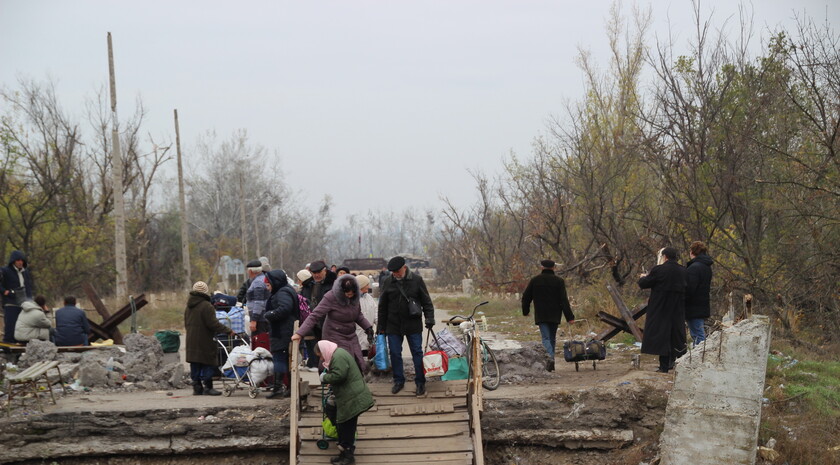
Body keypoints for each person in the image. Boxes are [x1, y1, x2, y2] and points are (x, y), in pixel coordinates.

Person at [377, 256, 435, 396]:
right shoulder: (388, 282)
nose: (395, 274)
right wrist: (381, 327)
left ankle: (420, 383)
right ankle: (398, 381)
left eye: (397, 271)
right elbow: (382, 306)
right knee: (395, 353)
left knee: (417, 353)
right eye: (393, 272)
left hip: (413, 323)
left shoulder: (416, 280)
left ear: (404, 267)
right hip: (393, 325)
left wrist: (429, 318)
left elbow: (426, 301)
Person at [293, 274, 374, 373]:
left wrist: (368, 328)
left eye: (352, 294)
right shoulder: (331, 297)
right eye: (347, 294)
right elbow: (315, 316)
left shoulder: (354, 297)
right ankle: (333, 383)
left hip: (350, 335)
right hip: (334, 335)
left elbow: (358, 315)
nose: (350, 296)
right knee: (340, 364)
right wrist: (300, 333)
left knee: (357, 363)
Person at [316, 339, 374, 465]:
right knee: (343, 423)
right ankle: (343, 453)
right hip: (350, 395)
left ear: (324, 350)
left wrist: (325, 378)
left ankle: (348, 457)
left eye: (320, 355)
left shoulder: (338, 356)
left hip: (352, 397)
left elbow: (340, 375)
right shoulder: (338, 354)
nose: (321, 359)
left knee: (346, 426)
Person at [638, 247, 688, 373]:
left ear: (665, 256)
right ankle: (678, 363)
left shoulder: (659, 270)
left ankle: (664, 366)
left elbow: (644, 283)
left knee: (662, 336)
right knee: (675, 336)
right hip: (677, 308)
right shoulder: (683, 270)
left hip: (660, 307)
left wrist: (643, 277)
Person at [521, 259, 576, 372]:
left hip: (541, 314)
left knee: (545, 338)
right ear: (553, 268)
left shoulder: (535, 280)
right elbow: (564, 300)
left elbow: (526, 297)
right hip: (555, 314)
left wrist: (525, 311)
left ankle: (549, 360)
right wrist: (569, 317)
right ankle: (551, 361)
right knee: (552, 338)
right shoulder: (559, 281)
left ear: (542, 267)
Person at [185, 281, 235, 395]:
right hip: (205, 338)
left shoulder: (188, 306)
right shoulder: (207, 306)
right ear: (205, 291)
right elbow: (213, 324)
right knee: (209, 360)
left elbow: (186, 322)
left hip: (191, 337)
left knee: (195, 361)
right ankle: (208, 387)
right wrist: (228, 331)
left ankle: (197, 387)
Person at [264, 269, 299, 399]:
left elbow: (285, 308)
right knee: (286, 359)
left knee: (279, 358)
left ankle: (278, 388)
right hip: (285, 330)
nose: (267, 286)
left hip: (282, 331)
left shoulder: (282, 292)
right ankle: (288, 388)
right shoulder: (286, 289)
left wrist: (269, 315)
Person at [299, 260, 337, 370]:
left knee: (329, 350)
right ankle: (319, 372)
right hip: (312, 322)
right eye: (314, 273)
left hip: (329, 322)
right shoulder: (308, 285)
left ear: (325, 271)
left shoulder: (334, 284)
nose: (316, 275)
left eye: (319, 272)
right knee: (315, 349)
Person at [1, 250, 35, 344]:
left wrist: (30, 299)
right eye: (18, 260)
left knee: (23, 325)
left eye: (22, 260)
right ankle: (7, 346)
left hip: (24, 302)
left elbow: (28, 286)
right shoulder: (4, 270)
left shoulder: (26, 272)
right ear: (13, 261)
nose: (20, 262)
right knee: (11, 324)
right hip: (10, 302)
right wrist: (5, 292)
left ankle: (21, 344)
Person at [685, 241, 713, 346]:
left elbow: (690, 288)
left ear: (692, 252)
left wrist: (682, 299)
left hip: (693, 306)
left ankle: (701, 357)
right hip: (702, 304)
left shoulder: (694, 268)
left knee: (698, 334)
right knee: (698, 332)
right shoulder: (706, 267)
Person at [245, 259, 271, 349]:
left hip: (259, 318)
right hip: (262, 316)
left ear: (251, 271)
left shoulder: (258, 282)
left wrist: (254, 320)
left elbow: (259, 302)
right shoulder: (262, 278)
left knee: (259, 342)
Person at [354, 274, 377, 358]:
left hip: (369, 336)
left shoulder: (369, 298)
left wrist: (380, 325)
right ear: (361, 285)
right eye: (367, 284)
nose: (368, 286)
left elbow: (375, 313)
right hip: (357, 336)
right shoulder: (353, 299)